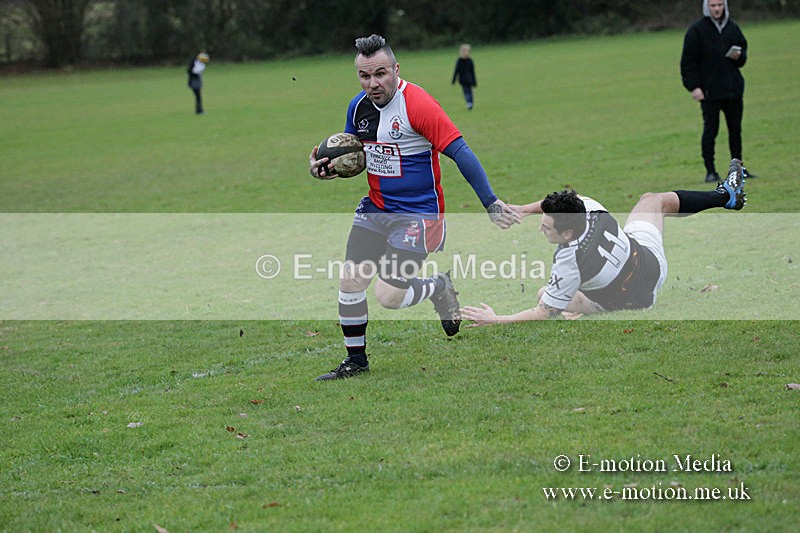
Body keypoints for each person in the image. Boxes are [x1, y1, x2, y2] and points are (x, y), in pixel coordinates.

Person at [308, 34, 519, 380]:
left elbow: (460, 152)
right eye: (365, 76)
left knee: (388, 296)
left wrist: (490, 201)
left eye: (380, 73)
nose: (373, 83)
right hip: (376, 209)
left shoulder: (417, 105)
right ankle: (356, 361)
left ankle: (437, 286)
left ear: (396, 69)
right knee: (350, 281)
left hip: (419, 216)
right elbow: (352, 156)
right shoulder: (357, 107)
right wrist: (323, 168)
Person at [461, 159, 747, 325]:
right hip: (651, 261)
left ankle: (584, 308)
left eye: (547, 227)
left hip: (638, 301)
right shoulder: (588, 206)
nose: (540, 229)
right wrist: (523, 209)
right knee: (653, 200)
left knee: (543, 295)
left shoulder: (568, 262)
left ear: (568, 235)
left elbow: (542, 313)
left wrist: (497, 319)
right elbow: (556, 202)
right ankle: (726, 197)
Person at [680, 0, 756, 182]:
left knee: (735, 131)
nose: (717, 9)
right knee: (710, 132)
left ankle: (738, 171)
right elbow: (687, 63)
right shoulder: (696, 31)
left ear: (725, 6)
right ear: (707, 7)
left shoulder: (733, 28)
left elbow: (742, 57)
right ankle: (711, 171)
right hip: (709, 93)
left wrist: (739, 56)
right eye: (713, 5)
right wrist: (694, 87)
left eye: (720, 5)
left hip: (733, 90)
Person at [452, 43, 477, 110]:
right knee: (468, 92)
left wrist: (474, 81)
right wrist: (454, 80)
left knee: (468, 92)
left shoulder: (467, 61)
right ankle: (470, 102)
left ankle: (469, 103)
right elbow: (457, 71)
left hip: (466, 80)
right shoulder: (462, 61)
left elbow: (472, 72)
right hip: (466, 79)